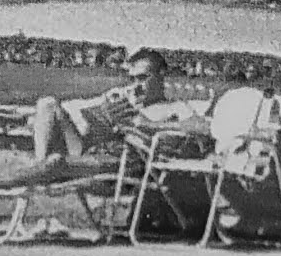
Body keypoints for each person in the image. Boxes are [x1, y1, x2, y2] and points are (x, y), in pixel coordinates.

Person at [30, 48, 203, 169]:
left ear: (161, 76)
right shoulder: (124, 98)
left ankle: (41, 169)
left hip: (123, 161)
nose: (136, 85)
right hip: (89, 150)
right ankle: (40, 164)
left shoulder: (176, 107)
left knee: (56, 162)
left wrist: (148, 124)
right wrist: (103, 111)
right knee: (47, 103)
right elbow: (72, 108)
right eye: (133, 79)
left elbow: (201, 127)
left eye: (143, 78)